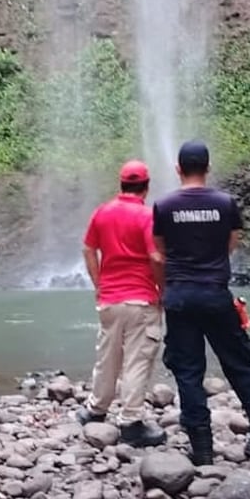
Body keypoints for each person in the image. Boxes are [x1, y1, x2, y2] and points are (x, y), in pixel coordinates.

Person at [152, 140, 250, 466]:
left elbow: (159, 254)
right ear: (208, 168)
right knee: (238, 360)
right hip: (215, 293)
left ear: (178, 169)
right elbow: (229, 245)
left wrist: (165, 290)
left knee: (188, 370)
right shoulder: (225, 203)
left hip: (180, 296)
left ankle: (202, 446)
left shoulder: (163, 206)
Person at [77, 160, 167, 448]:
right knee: (137, 361)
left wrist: (99, 284)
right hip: (140, 299)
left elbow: (88, 249)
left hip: (109, 299)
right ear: (146, 187)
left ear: (121, 184)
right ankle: (130, 422)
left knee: (108, 357)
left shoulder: (102, 212)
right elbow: (156, 257)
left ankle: (95, 409)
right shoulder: (147, 216)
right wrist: (162, 290)